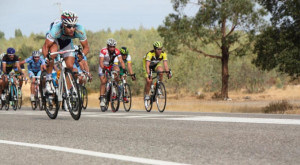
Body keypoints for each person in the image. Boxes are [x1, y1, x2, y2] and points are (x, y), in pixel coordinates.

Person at [42, 10, 89, 93]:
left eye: (74, 26)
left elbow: (86, 47)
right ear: (63, 25)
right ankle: (48, 80)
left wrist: (82, 54)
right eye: (69, 27)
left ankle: (65, 90)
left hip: (66, 41)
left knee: (70, 66)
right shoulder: (56, 29)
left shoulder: (80, 30)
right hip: (55, 39)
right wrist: (47, 58)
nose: (72, 29)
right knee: (53, 53)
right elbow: (46, 46)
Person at [98, 38, 126, 107]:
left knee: (117, 69)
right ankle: (102, 98)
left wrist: (124, 69)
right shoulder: (103, 51)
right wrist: (103, 68)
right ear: (107, 46)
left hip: (111, 65)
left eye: (113, 47)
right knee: (103, 81)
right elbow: (101, 62)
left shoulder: (117, 51)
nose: (112, 49)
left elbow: (121, 61)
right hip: (103, 66)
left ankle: (115, 85)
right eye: (110, 47)